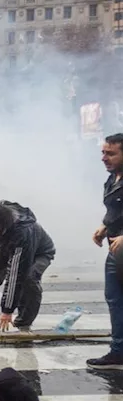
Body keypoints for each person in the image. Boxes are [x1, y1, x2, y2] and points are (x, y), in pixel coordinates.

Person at [0, 202, 56, 334]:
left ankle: (24, 323)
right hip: (7, 247)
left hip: (38, 254)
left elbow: (15, 275)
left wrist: (7, 310)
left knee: (29, 279)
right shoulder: (0, 215)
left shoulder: (22, 234)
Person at [90, 133, 124, 370]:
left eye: (110, 153)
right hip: (115, 250)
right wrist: (105, 225)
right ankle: (118, 350)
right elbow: (115, 208)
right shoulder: (112, 178)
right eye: (103, 152)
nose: (104, 158)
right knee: (115, 300)